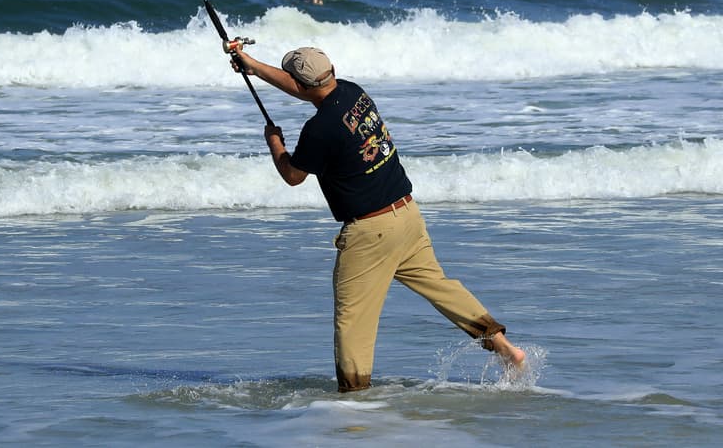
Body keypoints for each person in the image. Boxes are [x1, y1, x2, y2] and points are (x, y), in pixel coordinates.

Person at [225, 40, 527, 392]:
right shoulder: (352, 92)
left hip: (371, 233)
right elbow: (304, 88)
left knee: (352, 320)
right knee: (442, 288)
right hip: (406, 215)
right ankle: (505, 349)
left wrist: (274, 142)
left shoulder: (319, 129)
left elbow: (293, 176)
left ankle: (354, 400)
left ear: (303, 84)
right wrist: (253, 66)